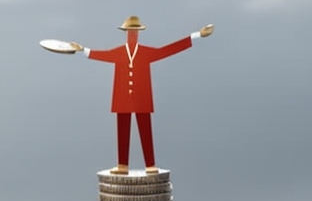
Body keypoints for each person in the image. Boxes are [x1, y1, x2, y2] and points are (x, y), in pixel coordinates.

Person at [71, 16, 213, 174]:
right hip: (122, 98)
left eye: (135, 32)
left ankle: (150, 164)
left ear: (139, 33)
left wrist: (197, 35)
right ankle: (122, 165)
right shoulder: (119, 52)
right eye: (130, 32)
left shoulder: (146, 52)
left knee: (146, 131)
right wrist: (82, 50)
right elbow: (102, 55)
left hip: (142, 98)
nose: (132, 35)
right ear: (126, 33)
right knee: (122, 132)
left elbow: (167, 51)